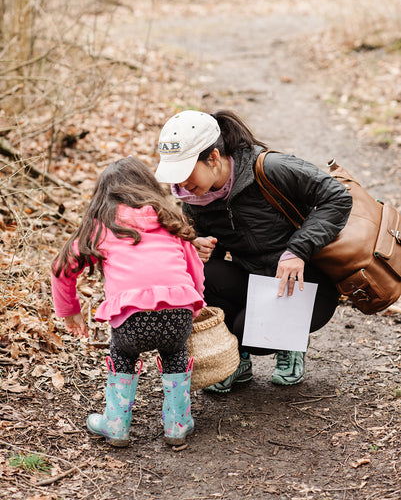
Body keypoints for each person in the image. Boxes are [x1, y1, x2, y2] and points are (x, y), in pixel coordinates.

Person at [155, 109, 352, 392]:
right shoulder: (194, 197)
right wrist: (195, 247)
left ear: (213, 158)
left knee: (249, 333)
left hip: (306, 282)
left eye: (185, 172)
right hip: (254, 278)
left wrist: (297, 250)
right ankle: (237, 362)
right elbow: (212, 252)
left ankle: (290, 342)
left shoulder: (270, 168)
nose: (181, 184)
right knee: (199, 274)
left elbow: (338, 197)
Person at [51, 156, 205, 446]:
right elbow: (193, 266)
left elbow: (61, 267)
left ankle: (116, 425)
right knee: (175, 354)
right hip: (179, 313)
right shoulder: (170, 220)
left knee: (123, 356)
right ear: (147, 187)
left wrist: (70, 310)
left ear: (103, 195)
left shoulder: (101, 226)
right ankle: (177, 426)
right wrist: (196, 303)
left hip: (132, 322)